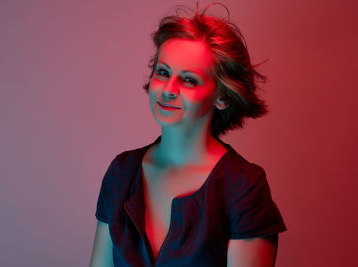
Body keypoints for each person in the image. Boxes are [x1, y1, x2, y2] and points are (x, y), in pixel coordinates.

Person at [90, 3, 286, 267]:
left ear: (222, 97)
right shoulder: (121, 172)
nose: (168, 89)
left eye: (188, 79)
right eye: (163, 72)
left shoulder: (244, 187)